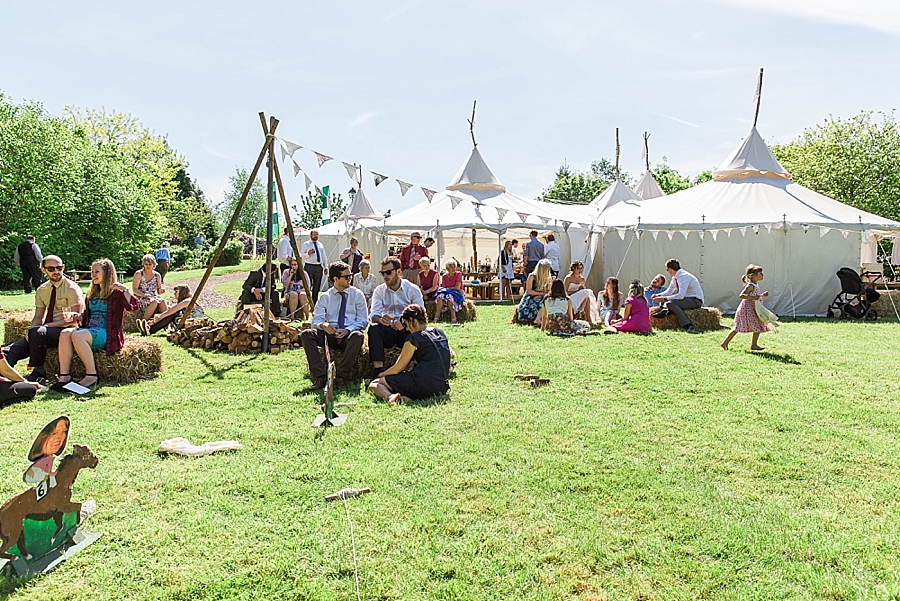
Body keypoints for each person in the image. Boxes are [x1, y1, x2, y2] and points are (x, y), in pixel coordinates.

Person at [55, 258, 139, 390]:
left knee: (78, 336)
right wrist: (78, 316)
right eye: (92, 271)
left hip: (107, 332)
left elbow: (134, 306)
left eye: (97, 272)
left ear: (107, 273)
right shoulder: (92, 294)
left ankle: (91, 375)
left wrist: (125, 290)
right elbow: (88, 316)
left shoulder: (116, 293)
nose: (93, 275)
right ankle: (64, 376)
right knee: (65, 333)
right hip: (90, 330)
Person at [2, 255, 84, 383]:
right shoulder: (42, 290)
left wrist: (43, 328)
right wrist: (32, 331)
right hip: (44, 333)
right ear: (43, 270)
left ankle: (39, 371)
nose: (56, 271)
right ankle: (5, 376)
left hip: (66, 332)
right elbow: (38, 317)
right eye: (51, 269)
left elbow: (75, 320)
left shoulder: (72, 288)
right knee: (8, 352)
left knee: (37, 333)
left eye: (59, 268)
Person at [301, 261, 368, 391]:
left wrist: (348, 330)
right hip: (330, 334)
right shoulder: (326, 297)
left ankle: (341, 377)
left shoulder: (357, 294)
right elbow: (316, 320)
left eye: (351, 275)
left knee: (358, 335)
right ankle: (320, 377)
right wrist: (323, 325)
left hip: (348, 334)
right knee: (307, 334)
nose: (350, 278)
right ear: (335, 279)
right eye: (346, 277)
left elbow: (363, 320)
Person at [368, 303, 452, 406]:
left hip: (422, 382)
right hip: (441, 386)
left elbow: (398, 368)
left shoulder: (414, 338)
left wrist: (380, 375)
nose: (407, 329)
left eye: (406, 324)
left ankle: (390, 397)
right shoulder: (440, 332)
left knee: (375, 384)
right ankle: (404, 397)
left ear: (413, 321)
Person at [368, 256, 425, 377]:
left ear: (399, 272)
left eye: (388, 272)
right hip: (388, 330)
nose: (385, 276)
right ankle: (378, 372)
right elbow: (374, 315)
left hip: (407, 330)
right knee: (374, 328)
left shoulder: (412, 289)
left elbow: (421, 315)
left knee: (418, 332)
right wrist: (381, 320)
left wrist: (404, 323)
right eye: (382, 273)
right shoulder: (379, 290)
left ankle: (415, 368)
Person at [722, 264, 771, 351]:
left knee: (758, 325)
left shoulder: (755, 285)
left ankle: (754, 344)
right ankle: (725, 343)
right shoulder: (750, 285)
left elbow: (755, 296)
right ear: (753, 275)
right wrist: (753, 298)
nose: (762, 275)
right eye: (760, 273)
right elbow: (742, 295)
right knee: (738, 327)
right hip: (747, 310)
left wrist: (762, 295)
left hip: (754, 309)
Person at [652, 258, 704, 332]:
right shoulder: (675, 277)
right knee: (667, 301)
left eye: (667, 269)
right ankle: (667, 310)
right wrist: (658, 295)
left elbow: (680, 295)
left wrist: (663, 298)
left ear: (670, 269)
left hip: (695, 300)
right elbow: (669, 291)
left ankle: (688, 325)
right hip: (686, 300)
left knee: (670, 303)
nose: (668, 271)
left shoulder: (683, 276)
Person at [24, 417, 70, 496]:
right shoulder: (41, 463)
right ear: (44, 436)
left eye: (64, 431)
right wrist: (51, 476)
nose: (59, 437)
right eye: (54, 433)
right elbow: (28, 477)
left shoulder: (49, 459)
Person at [136, 285, 208, 335]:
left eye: (176, 292)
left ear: (182, 292)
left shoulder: (187, 301)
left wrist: (159, 317)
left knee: (172, 314)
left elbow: (171, 311)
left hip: (196, 324)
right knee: (174, 314)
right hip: (190, 323)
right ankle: (149, 327)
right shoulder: (186, 301)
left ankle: (150, 329)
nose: (174, 294)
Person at [562, 261, 599, 325]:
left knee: (587, 297)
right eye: (578, 268)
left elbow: (584, 292)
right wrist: (577, 292)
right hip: (570, 298)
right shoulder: (568, 278)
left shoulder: (582, 279)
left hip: (580, 300)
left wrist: (581, 290)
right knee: (587, 293)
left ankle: (588, 318)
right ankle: (581, 311)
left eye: (581, 268)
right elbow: (564, 292)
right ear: (574, 268)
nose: (580, 270)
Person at [515, 259, 551, 324]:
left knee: (545, 301)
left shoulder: (548, 277)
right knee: (539, 303)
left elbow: (549, 291)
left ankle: (541, 319)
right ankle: (538, 319)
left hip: (542, 295)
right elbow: (529, 290)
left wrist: (541, 295)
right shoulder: (532, 276)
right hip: (530, 296)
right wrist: (540, 294)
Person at [132, 254, 167, 320]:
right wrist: (143, 295)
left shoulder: (157, 275)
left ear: (154, 264)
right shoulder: (139, 274)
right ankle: (144, 322)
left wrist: (161, 290)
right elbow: (135, 290)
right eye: (146, 264)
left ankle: (166, 323)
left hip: (152, 296)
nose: (148, 266)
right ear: (143, 264)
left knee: (162, 302)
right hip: (140, 296)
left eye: (150, 264)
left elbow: (158, 291)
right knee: (154, 302)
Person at [433, 260, 465, 324]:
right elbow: (444, 287)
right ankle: (437, 316)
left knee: (449, 297)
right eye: (451, 267)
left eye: (454, 267)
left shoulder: (458, 274)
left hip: (457, 293)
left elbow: (457, 287)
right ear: (447, 268)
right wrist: (448, 289)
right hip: (447, 292)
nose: (453, 268)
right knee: (440, 296)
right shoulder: (444, 276)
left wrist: (448, 288)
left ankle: (453, 317)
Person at [301, 229, 327, 304]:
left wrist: (326, 267)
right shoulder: (306, 244)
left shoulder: (320, 245)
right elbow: (301, 255)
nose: (315, 236)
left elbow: (324, 256)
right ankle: (306, 301)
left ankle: (314, 302)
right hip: (309, 266)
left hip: (318, 266)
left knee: (317, 285)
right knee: (308, 284)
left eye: (317, 235)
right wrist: (308, 254)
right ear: (311, 235)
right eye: (314, 235)